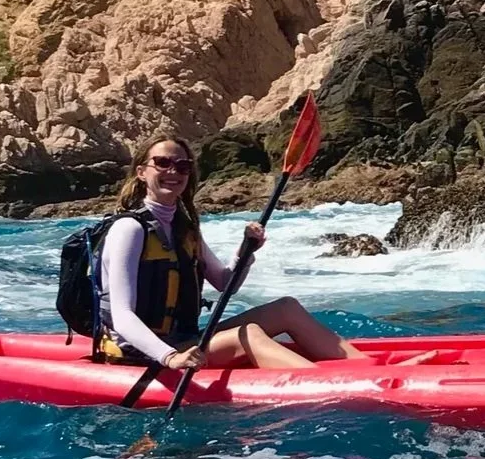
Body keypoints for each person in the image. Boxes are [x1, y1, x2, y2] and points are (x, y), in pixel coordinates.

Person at [94, 134, 370, 372]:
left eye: (182, 165)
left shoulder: (183, 227)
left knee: (286, 308)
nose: (174, 171)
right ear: (142, 172)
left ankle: (368, 368)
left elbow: (226, 284)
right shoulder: (129, 229)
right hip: (143, 353)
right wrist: (171, 358)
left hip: (183, 341)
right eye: (163, 163)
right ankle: (334, 384)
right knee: (246, 334)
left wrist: (245, 250)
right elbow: (122, 316)